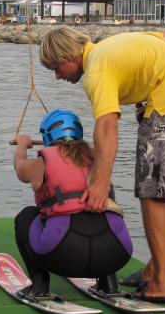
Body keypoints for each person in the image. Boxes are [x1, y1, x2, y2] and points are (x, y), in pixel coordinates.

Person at [39, 28, 165, 303]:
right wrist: (148, 86)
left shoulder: (96, 70)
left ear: (68, 55)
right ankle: (155, 270)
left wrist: (99, 183)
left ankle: (161, 283)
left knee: (153, 191)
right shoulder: (112, 46)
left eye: (56, 67)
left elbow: (107, 126)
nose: (58, 76)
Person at [13, 110, 133, 299]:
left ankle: (39, 286)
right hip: (116, 255)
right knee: (105, 211)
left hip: (63, 256)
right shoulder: (100, 160)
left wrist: (22, 145)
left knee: (26, 216)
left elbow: (20, 168)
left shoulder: (42, 161)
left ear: (47, 135)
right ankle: (108, 284)